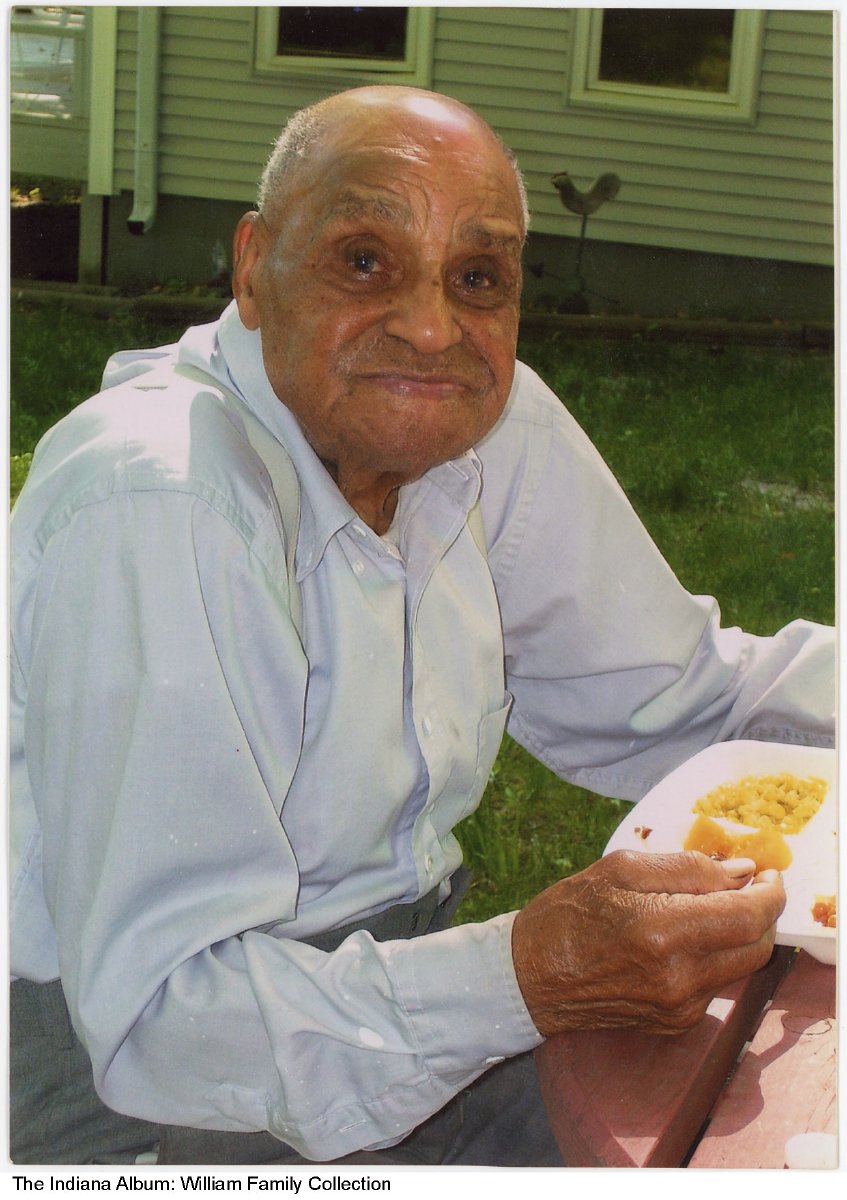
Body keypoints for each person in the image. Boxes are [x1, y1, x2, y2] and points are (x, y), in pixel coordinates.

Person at [9, 85, 833, 1167]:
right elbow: (162, 1021)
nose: (433, 327)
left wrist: (503, 983)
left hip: (408, 998)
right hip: (141, 1099)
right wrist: (525, 975)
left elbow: (682, 699)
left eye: (478, 277)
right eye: (364, 260)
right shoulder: (164, 502)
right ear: (253, 268)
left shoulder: (479, 422)